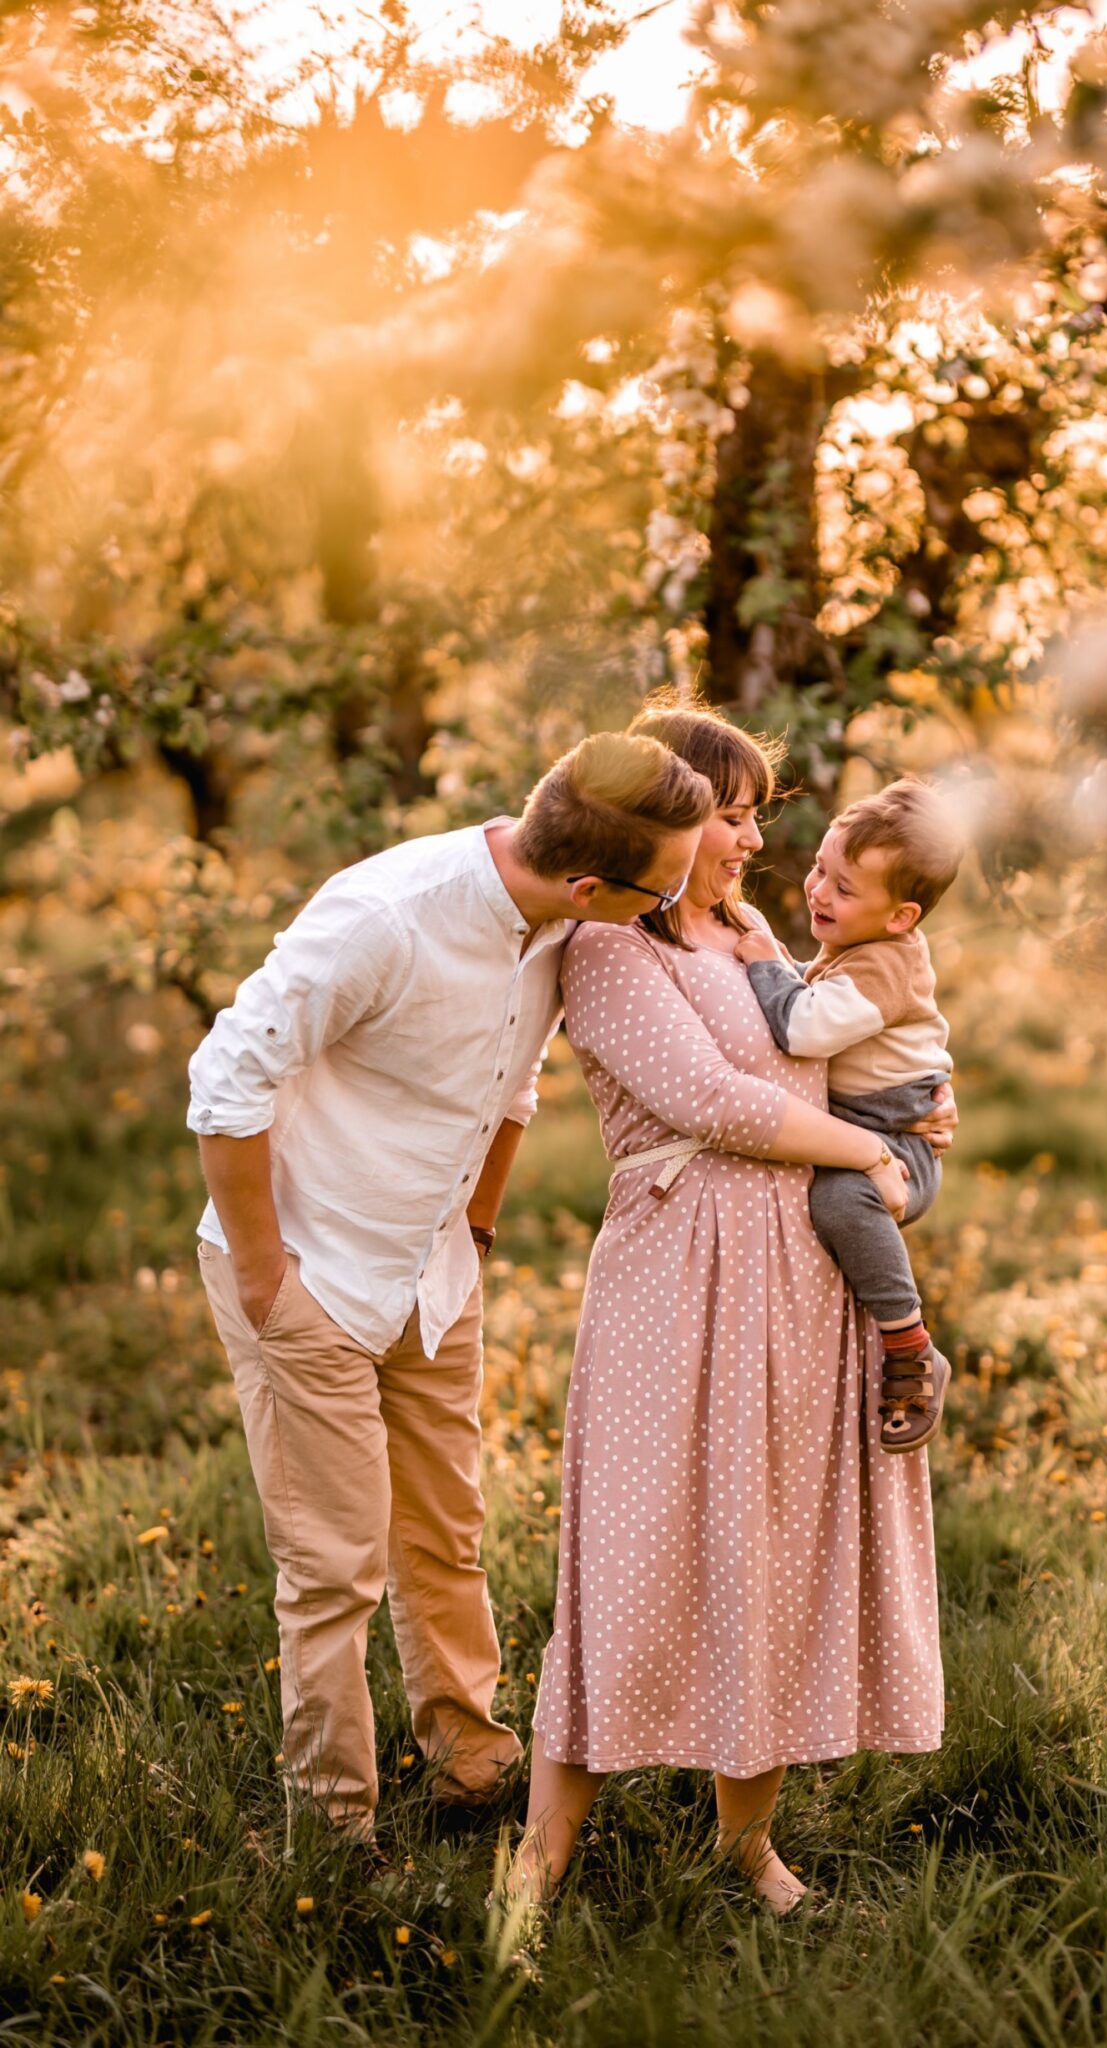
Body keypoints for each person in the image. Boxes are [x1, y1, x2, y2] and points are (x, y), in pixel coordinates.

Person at [186, 731, 713, 1852]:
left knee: (446, 1529)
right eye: (657, 888)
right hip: (310, 1267)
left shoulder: (559, 929)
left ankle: (471, 1760)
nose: (668, 905)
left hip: (431, 1270)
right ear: (587, 883)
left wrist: (474, 1225)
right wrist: (267, 1275)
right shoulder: (386, 917)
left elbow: (510, 1083)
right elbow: (224, 1080)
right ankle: (332, 1824)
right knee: (333, 1566)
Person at [512, 699, 956, 1916]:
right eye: (737, 813)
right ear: (670, 816)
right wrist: (865, 1159)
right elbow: (707, 1099)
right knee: (633, 1547)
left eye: (761, 814)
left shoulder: (751, 927)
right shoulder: (608, 947)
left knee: (763, 1551)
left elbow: (862, 1032)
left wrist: (911, 1111)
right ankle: (542, 1853)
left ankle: (746, 1843)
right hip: (678, 1271)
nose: (754, 841)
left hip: (796, 1281)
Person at [735, 776, 963, 1453]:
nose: (817, 891)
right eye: (818, 869)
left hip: (896, 1145)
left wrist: (761, 963)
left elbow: (803, 1030)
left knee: (838, 1200)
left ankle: (909, 1344)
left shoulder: (882, 970)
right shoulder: (857, 950)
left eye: (842, 888)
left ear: (901, 917)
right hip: (874, 1124)